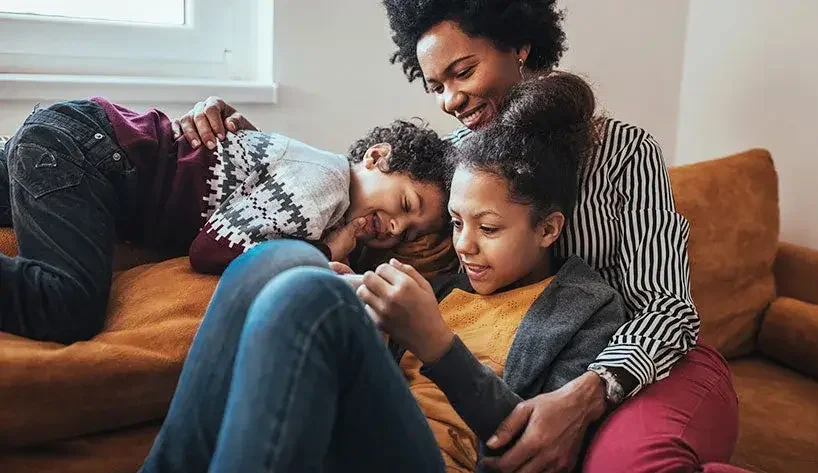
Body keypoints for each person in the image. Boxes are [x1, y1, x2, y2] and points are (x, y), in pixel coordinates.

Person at [176, 1, 742, 471]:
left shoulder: (622, 158)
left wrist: (586, 394)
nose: (449, 99)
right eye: (436, 85)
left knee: (306, 297)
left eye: (463, 72)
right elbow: (359, 191)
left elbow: (669, 307)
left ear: (519, 45)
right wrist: (252, 146)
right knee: (273, 266)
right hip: (417, 387)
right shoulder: (456, 159)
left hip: (580, 374)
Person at [141, 73, 625, 473]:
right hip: (350, 442)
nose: (464, 244)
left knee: (310, 293)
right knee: (273, 263)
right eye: (456, 222)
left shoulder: (587, 308)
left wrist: (437, 344)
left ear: (548, 228)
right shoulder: (440, 280)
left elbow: (534, 448)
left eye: (490, 227)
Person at [0, 98, 452, 344]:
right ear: (376, 157)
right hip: (91, 154)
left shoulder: (311, 173)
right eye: (406, 204)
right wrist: (326, 252)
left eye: (410, 233)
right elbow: (214, 248)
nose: (396, 228)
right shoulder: (327, 183)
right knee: (67, 306)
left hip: (74, 137)